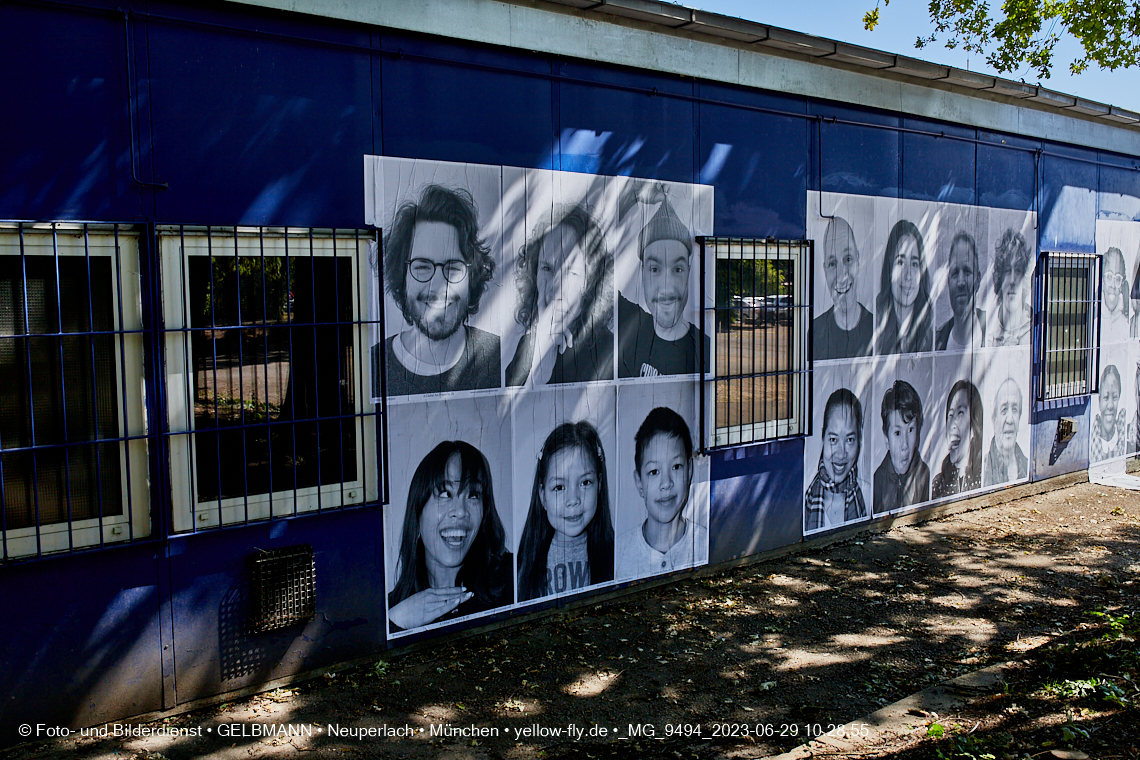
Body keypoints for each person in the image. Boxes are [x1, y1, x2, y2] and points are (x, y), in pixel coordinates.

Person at [372, 184, 500, 398]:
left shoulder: (498, 355)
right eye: (422, 266)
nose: (438, 285)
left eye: (452, 267)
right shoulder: (374, 364)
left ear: (472, 276)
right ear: (401, 277)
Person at [388, 441, 513, 632]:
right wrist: (395, 622)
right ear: (418, 511)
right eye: (445, 494)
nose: (461, 511)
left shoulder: (512, 579)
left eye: (473, 495)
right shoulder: (391, 613)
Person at [506, 204, 614, 386]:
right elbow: (504, 412)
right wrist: (537, 375)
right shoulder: (527, 347)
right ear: (535, 274)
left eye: (569, 270)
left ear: (588, 280)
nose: (555, 285)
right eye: (547, 268)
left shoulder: (608, 351)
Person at [517, 421, 614, 601]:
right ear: (543, 496)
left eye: (585, 483)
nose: (573, 500)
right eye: (559, 487)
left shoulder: (616, 557)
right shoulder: (523, 565)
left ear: (599, 485)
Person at [617, 195, 709, 377]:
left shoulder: (706, 348)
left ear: (689, 272)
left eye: (677, 269)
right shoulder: (631, 326)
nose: (666, 288)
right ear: (642, 273)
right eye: (655, 269)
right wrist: (632, 195)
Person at [616, 407, 707, 579]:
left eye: (676, 467)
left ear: (689, 472)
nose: (666, 483)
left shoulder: (705, 542)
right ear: (639, 482)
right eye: (654, 472)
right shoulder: (619, 552)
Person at [804, 389, 867, 531]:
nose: (840, 454)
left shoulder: (869, 495)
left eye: (849, 440)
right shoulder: (805, 500)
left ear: (859, 440)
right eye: (833, 439)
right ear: (823, 438)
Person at [813, 217, 874, 360]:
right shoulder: (815, 332)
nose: (841, 276)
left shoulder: (876, 327)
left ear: (858, 261)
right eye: (832, 263)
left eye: (848, 259)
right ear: (825, 270)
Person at [875, 220, 933, 355]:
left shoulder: (931, 333)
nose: (908, 276)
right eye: (900, 262)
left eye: (914, 264)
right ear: (889, 270)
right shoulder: (875, 328)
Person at [873, 380, 930, 514]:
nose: (905, 445)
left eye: (910, 430)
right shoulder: (877, 480)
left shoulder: (924, 474)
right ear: (887, 438)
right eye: (897, 433)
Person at [931, 380, 983, 498]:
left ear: (974, 425)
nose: (953, 424)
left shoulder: (985, 474)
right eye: (950, 415)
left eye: (960, 413)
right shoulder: (939, 483)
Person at [936, 232, 986, 351]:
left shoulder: (993, 332)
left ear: (978, 280)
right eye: (955, 273)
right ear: (948, 282)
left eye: (967, 271)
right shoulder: (937, 342)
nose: (961, 282)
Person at [989, 229, 1032, 347]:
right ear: (1000, 278)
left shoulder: (1036, 328)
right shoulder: (988, 334)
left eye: (1018, 271)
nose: (1012, 281)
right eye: (1007, 271)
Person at [983, 378, 1027, 486]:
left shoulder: (1027, 465)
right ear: (994, 419)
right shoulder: (984, 468)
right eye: (1004, 410)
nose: (1010, 420)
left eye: (1015, 409)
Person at [1091, 364, 1126, 462]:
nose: (1110, 405)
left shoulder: (1125, 439)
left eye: (1114, 397)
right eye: (1106, 397)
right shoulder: (1090, 444)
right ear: (1099, 400)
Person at [1102, 247, 1130, 341]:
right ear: (1102, 281)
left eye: (1118, 279)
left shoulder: (1125, 325)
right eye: (1109, 277)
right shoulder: (1094, 319)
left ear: (1121, 286)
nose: (1113, 286)